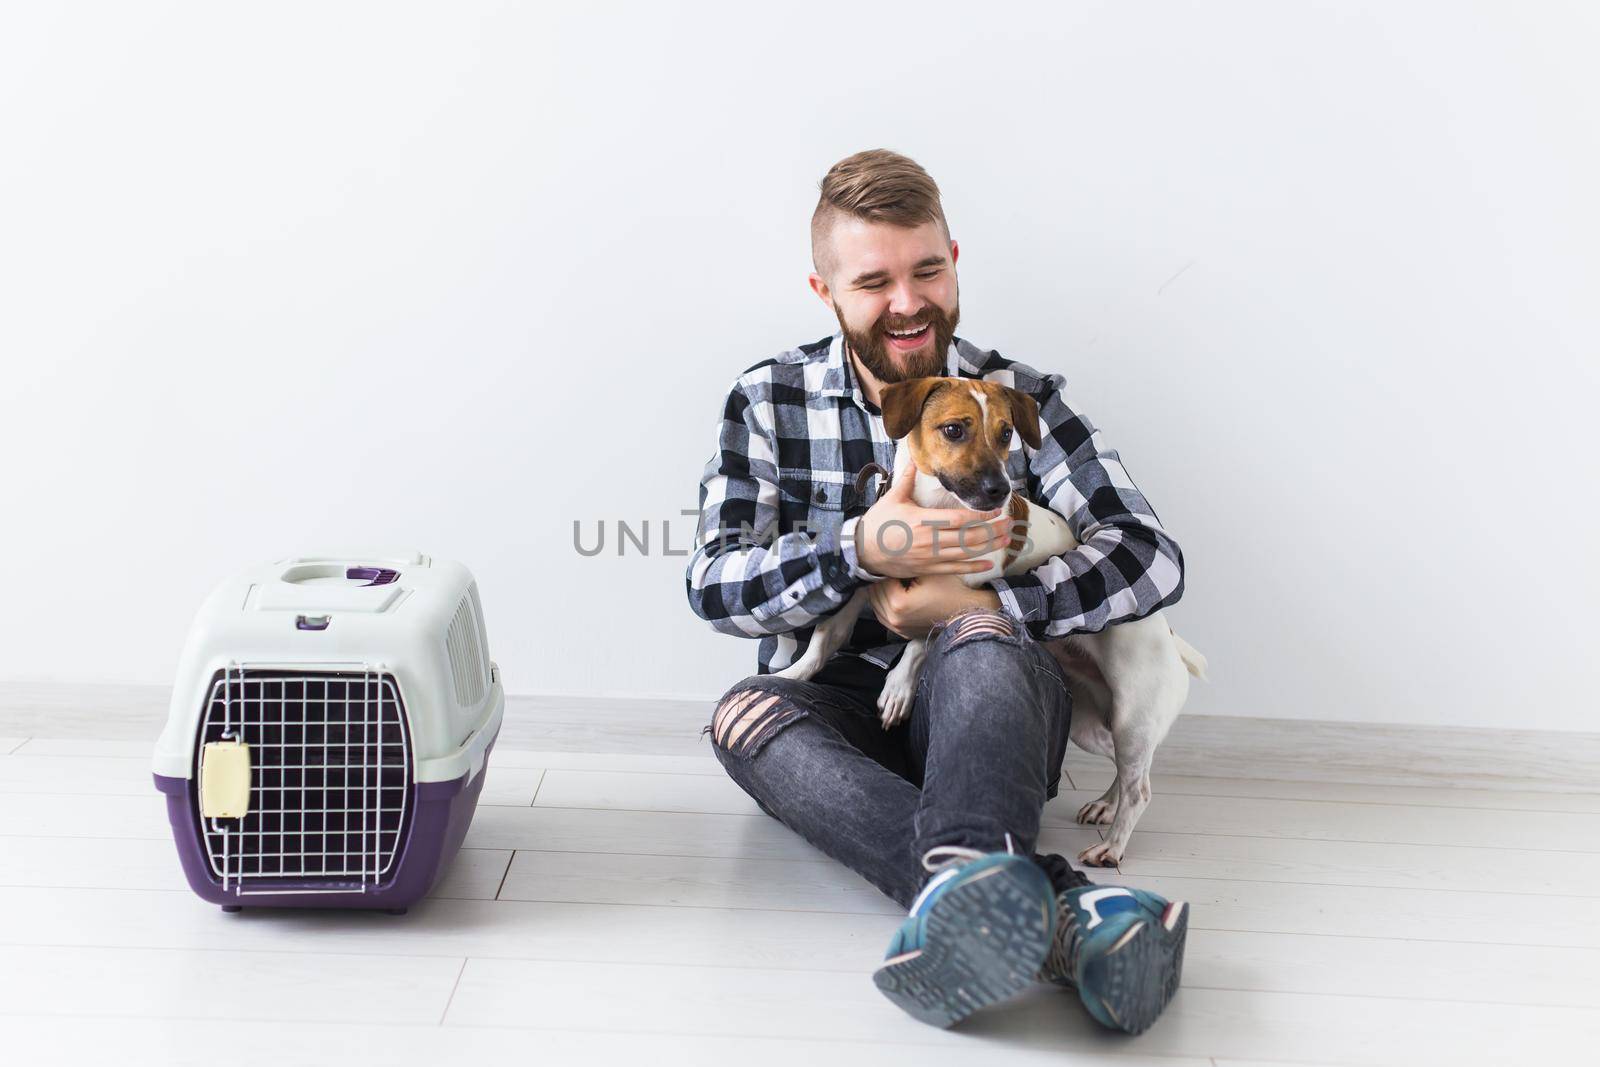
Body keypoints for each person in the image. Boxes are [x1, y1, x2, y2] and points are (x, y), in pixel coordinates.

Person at [685, 149, 1189, 1035]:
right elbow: (713, 582)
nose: (908, 301)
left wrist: (982, 605)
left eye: (927, 269)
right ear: (825, 289)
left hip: (989, 687)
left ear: (955, 260)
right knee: (741, 716)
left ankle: (990, 894)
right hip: (836, 707)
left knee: (984, 648)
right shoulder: (768, 401)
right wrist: (860, 549)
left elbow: (1151, 555)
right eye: (874, 280)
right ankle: (1062, 914)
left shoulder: (1021, 398)